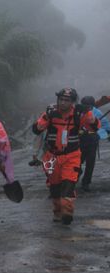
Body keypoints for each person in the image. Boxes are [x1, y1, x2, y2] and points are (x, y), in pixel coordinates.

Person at [31, 88, 97, 224]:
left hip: (72, 155)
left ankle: (67, 213)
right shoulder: (51, 112)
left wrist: (90, 116)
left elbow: (94, 127)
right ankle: (58, 211)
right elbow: (37, 129)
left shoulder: (79, 114)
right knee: (54, 187)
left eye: (67, 100)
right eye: (60, 99)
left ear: (73, 102)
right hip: (51, 156)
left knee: (68, 184)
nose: (63, 103)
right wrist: (46, 117)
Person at [78, 95, 107, 192]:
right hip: (79, 141)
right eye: (84, 105)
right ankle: (74, 176)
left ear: (92, 106)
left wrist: (99, 132)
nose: (86, 108)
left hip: (92, 141)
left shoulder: (97, 113)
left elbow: (105, 125)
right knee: (77, 161)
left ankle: (86, 182)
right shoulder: (78, 113)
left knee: (90, 163)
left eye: (88, 106)